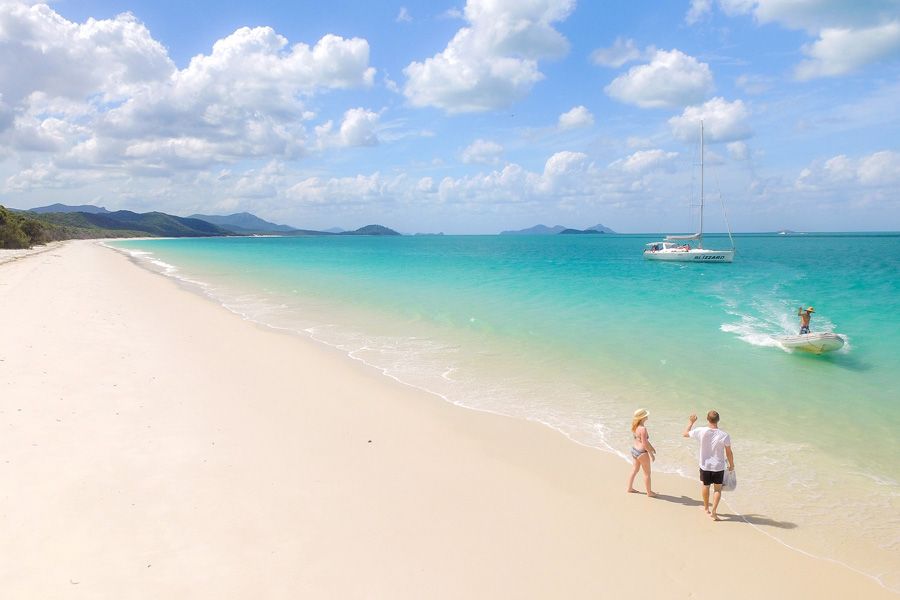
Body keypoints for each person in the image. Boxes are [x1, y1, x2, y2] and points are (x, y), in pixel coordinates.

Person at [683, 411, 734, 521]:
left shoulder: (701, 431)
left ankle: (706, 508)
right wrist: (732, 465)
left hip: (705, 465)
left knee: (705, 486)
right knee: (717, 490)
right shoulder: (724, 435)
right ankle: (714, 512)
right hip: (718, 467)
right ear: (718, 420)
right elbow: (729, 452)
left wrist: (691, 422)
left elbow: (685, 433)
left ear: (707, 419)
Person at [626, 408, 657, 498]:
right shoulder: (643, 429)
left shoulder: (635, 426)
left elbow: (641, 440)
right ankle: (649, 492)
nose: (647, 416)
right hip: (642, 453)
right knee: (647, 473)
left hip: (634, 450)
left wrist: (652, 448)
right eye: (646, 415)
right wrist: (651, 454)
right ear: (643, 417)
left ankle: (629, 488)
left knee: (634, 470)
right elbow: (644, 443)